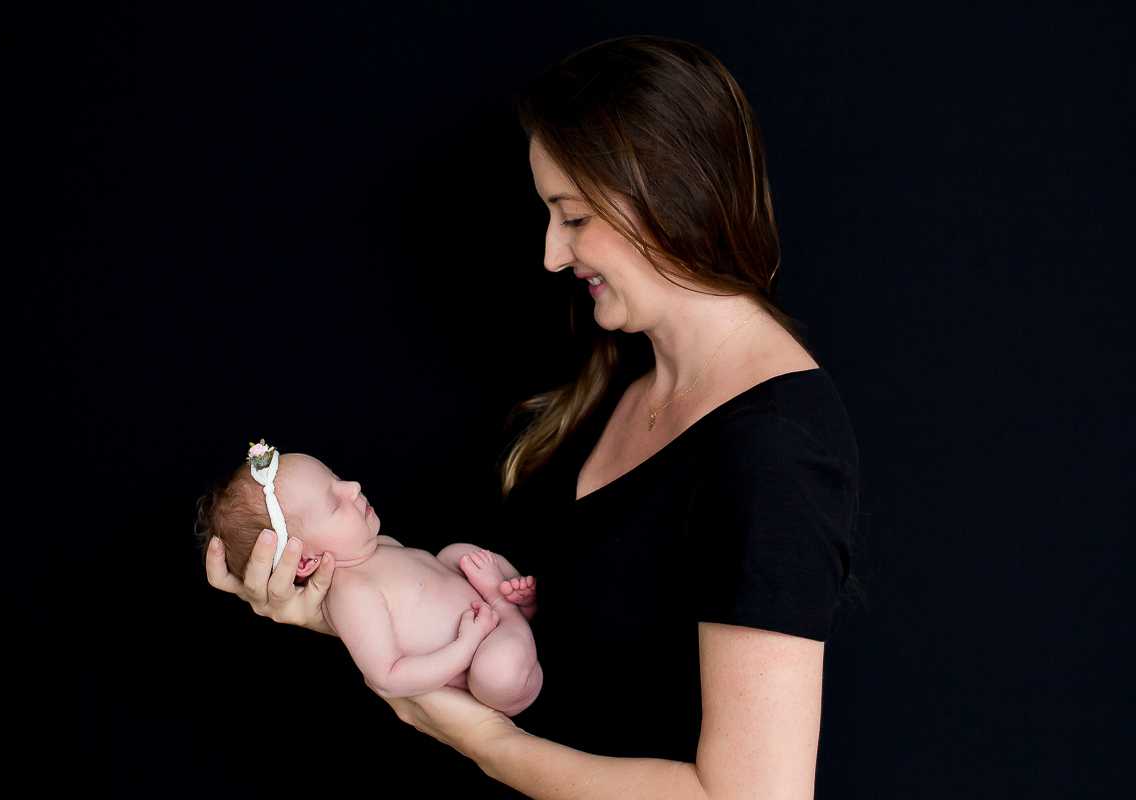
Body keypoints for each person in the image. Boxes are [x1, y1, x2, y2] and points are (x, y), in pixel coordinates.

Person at [206, 36, 857, 798]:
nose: (551, 255)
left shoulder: (773, 455)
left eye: (572, 216)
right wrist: (334, 608)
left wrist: (489, 744)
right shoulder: (624, 374)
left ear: (666, 194)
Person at [198, 443, 542, 716]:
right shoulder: (350, 594)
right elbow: (388, 677)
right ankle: (509, 612)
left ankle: (513, 602)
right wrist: (467, 644)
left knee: (458, 554)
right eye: (334, 503)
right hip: (483, 651)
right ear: (303, 560)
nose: (353, 487)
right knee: (496, 673)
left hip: (485, 623)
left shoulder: (377, 546)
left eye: (336, 477)